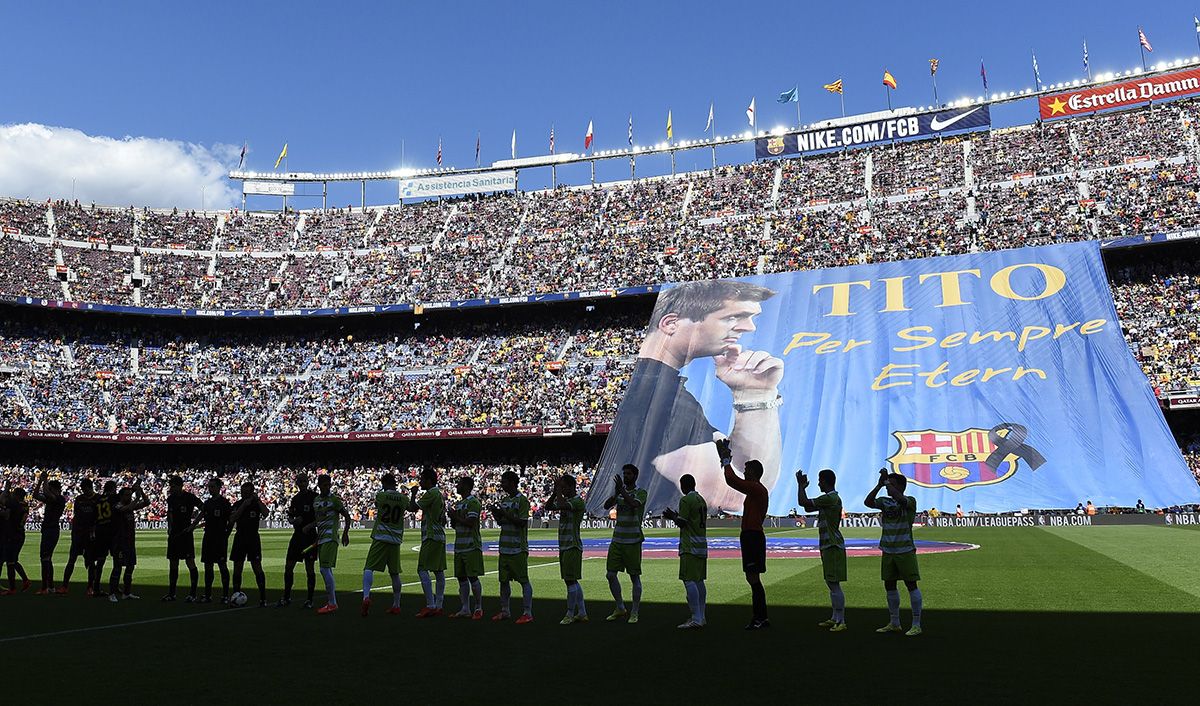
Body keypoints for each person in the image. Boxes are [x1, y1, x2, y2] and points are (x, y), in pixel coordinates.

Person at [593, 279, 783, 514]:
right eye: (733, 317)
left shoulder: (656, 387)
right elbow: (735, 496)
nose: (748, 327)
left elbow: (746, 474)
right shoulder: (661, 399)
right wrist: (758, 396)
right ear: (671, 324)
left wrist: (754, 394)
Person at [865, 469, 922, 637]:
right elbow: (868, 502)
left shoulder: (910, 501)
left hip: (905, 549)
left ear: (900, 486)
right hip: (888, 549)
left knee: (911, 585)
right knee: (889, 585)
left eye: (892, 484)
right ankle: (894, 622)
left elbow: (902, 500)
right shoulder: (885, 501)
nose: (888, 488)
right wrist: (878, 485)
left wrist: (887, 482)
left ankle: (916, 624)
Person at [719, 439, 769, 629]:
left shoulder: (757, 489)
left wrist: (725, 460)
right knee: (752, 578)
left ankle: (760, 618)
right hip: (751, 535)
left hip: (753, 536)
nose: (745, 472)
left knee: (753, 578)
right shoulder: (755, 492)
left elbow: (732, 480)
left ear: (754, 473)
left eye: (747, 470)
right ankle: (761, 617)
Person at [797, 468, 847, 631]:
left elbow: (803, 503)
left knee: (834, 584)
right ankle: (835, 617)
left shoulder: (830, 498)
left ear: (825, 481)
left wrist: (801, 486)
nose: (818, 483)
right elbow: (807, 508)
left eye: (820, 480)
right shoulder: (830, 499)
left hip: (832, 545)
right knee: (831, 582)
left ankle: (841, 621)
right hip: (828, 544)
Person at [663, 473, 707, 630]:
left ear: (683, 485)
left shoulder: (686, 500)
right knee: (699, 580)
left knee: (689, 580)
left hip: (690, 545)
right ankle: (701, 616)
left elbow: (682, 522)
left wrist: (672, 516)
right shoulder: (701, 499)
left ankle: (696, 618)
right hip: (701, 544)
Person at [603, 463, 646, 623]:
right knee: (610, 574)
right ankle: (620, 607)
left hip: (633, 540)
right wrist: (616, 494)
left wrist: (621, 491)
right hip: (617, 539)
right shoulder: (620, 493)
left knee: (634, 577)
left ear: (635, 476)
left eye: (628, 474)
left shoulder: (641, 492)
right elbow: (606, 506)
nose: (626, 476)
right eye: (624, 474)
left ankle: (634, 611)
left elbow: (634, 504)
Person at [361, 473, 409, 617]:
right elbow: (411, 507)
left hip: (381, 536)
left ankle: (366, 596)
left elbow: (378, 504)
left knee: (369, 568)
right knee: (395, 573)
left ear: (384, 484)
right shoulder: (403, 498)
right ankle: (396, 604)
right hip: (395, 539)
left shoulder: (380, 496)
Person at [489, 470, 533, 624]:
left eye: (504, 481)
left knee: (523, 581)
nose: (502, 484)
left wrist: (503, 513)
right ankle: (505, 611)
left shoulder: (522, 500)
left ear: (512, 483)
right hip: (504, 547)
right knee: (503, 581)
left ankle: (527, 612)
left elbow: (522, 522)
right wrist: (496, 513)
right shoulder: (505, 500)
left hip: (518, 548)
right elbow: (501, 522)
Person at [546, 473, 588, 625]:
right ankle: (582, 612)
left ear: (571, 487)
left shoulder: (577, 501)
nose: (562, 490)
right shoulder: (568, 499)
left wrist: (557, 491)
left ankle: (570, 614)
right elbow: (548, 506)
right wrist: (554, 492)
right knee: (571, 581)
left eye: (564, 487)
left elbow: (562, 505)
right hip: (564, 545)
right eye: (561, 487)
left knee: (570, 581)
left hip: (572, 545)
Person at [308, 474, 351, 614]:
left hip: (331, 538)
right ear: (319, 485)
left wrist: (345, 533)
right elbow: (320, 521)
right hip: (321, 539)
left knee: (324, 569)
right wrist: (310, 528)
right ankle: (331, 601)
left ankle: (332, 603)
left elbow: (346, 516)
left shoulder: (334, 500)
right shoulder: (316, 501)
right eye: (324, 485)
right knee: (327, 569)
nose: (327, 487)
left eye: (329, 485)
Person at [410, 467, 446, 618]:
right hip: (439, 536)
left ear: (429, 480)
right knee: (438, 571)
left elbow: (413, 508)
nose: (421, 481)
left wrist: (413, 494)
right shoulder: (439, 494)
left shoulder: (431, 493)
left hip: (430, 536)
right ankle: (439, 605)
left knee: (422, 569)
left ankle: (431, 605)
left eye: (423, 479)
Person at [446, 476, 483, 620]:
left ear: (466, 486)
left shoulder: (473, 502)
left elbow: (471, 523)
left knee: (473, 577)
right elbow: (457, 525)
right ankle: (465, 608)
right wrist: (453, 518)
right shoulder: (460, 503)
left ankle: (478, 607)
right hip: (459, 545)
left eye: (460, 484)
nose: (457, 486)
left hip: (471, 545)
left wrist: (456, 516)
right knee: (461, 578)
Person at [278, 473, 317, 608]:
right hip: (297, 537)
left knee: (309, 568)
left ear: (307, 482)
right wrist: (293, 521)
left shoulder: (314, 497)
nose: (301, 483)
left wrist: (309, 525)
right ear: (297, 483)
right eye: (299, 481)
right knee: (288, 566)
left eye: (304, 481)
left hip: (310, 537)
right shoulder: (295, 499)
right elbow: (290, 517)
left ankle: (310, 600)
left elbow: (321, 517)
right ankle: (286, 597)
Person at [108, 479, 149, 602]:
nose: (129, 497)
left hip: (130, 542)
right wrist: (136, 497)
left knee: (130, 567)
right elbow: (127, 508)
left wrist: (140, 489)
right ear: (121, 496)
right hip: (119, 542)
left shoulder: (130, 506)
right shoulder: (117, 506)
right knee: (117, 568)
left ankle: (126, 592)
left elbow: (147, 502)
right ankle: (112, 593)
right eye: (126, 495)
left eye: (129, 495)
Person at [229, 482, 269, 608]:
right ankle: (236, 595)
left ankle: (263, 598)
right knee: (237, 567)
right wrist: (243, 506)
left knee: (257, 567)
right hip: (240, 537)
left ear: (252, 492)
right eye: (242, 492)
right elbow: (232, 519)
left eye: (246, 492)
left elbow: (266, 513)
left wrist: (258, 501)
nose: (244, 494)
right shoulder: (238, 504)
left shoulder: (256, 504)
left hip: (253, 538)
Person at [163, 475, 202, 602]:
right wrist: (169, 528)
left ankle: (193, 594)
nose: (171, 488)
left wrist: (193, 525)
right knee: (173, 563)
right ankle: (172, 594)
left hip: (186, 534)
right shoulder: (171, 499)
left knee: (190, 562)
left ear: (180, 486)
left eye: (173, 486)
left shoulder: (189, 497)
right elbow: (170, 514)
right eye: (170, 486)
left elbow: (203, 509)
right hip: (174, 535)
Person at [194, 478, 231, 604]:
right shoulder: (208, 502)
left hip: (220, 538)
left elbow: (230, 520)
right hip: (208, 538)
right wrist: (193, 525)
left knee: (222, 566)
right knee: (208, 566)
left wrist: (227, 533)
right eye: (209, 487)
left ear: (219, 488)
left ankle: (225, 595)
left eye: (212, 487)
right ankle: (207, 595)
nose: (210, 489)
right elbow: (201, 514)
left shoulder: (225, 503)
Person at [60, 477, 97, 594]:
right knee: (71, 560)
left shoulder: (97, 499)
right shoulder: (79, 499)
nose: (83, 491)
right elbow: (77, 517)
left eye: (84, 489)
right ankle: (64, 586)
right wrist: (74, 533)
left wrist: (94, 531)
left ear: (89, 488)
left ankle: (90, 587)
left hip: (91, 534)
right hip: (78, 534)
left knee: (90, 562)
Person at [32, 472, 66, 594]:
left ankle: (44, 588)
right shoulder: (53, 499)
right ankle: (50, 586)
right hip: (49, 529)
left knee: (44, 558)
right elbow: (35, 495)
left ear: (54, 489)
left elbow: (46, 493)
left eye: (50, 489)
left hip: (51, 530)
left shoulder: (59, 499)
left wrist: (45, 480)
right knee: (47, 559)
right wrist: (40, 481)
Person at [88, 480, 118, 598]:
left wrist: (92, 533)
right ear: (113, 488)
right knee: (117, 561)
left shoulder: (98, 500)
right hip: (111, 531)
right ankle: (113, 588)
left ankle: (96, 587)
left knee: (100, 561)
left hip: (100, 532)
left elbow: (93, 518)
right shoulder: (114, 498)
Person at [0, 483, 32, 594]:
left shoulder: (13, 504)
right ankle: (25, 580)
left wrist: (6, 489)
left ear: (16, 495)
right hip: (19, 533)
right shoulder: (24, 505)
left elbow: (3, 503)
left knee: (9, 562)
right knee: (13, 560)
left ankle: (12, 588)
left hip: (11, 535)